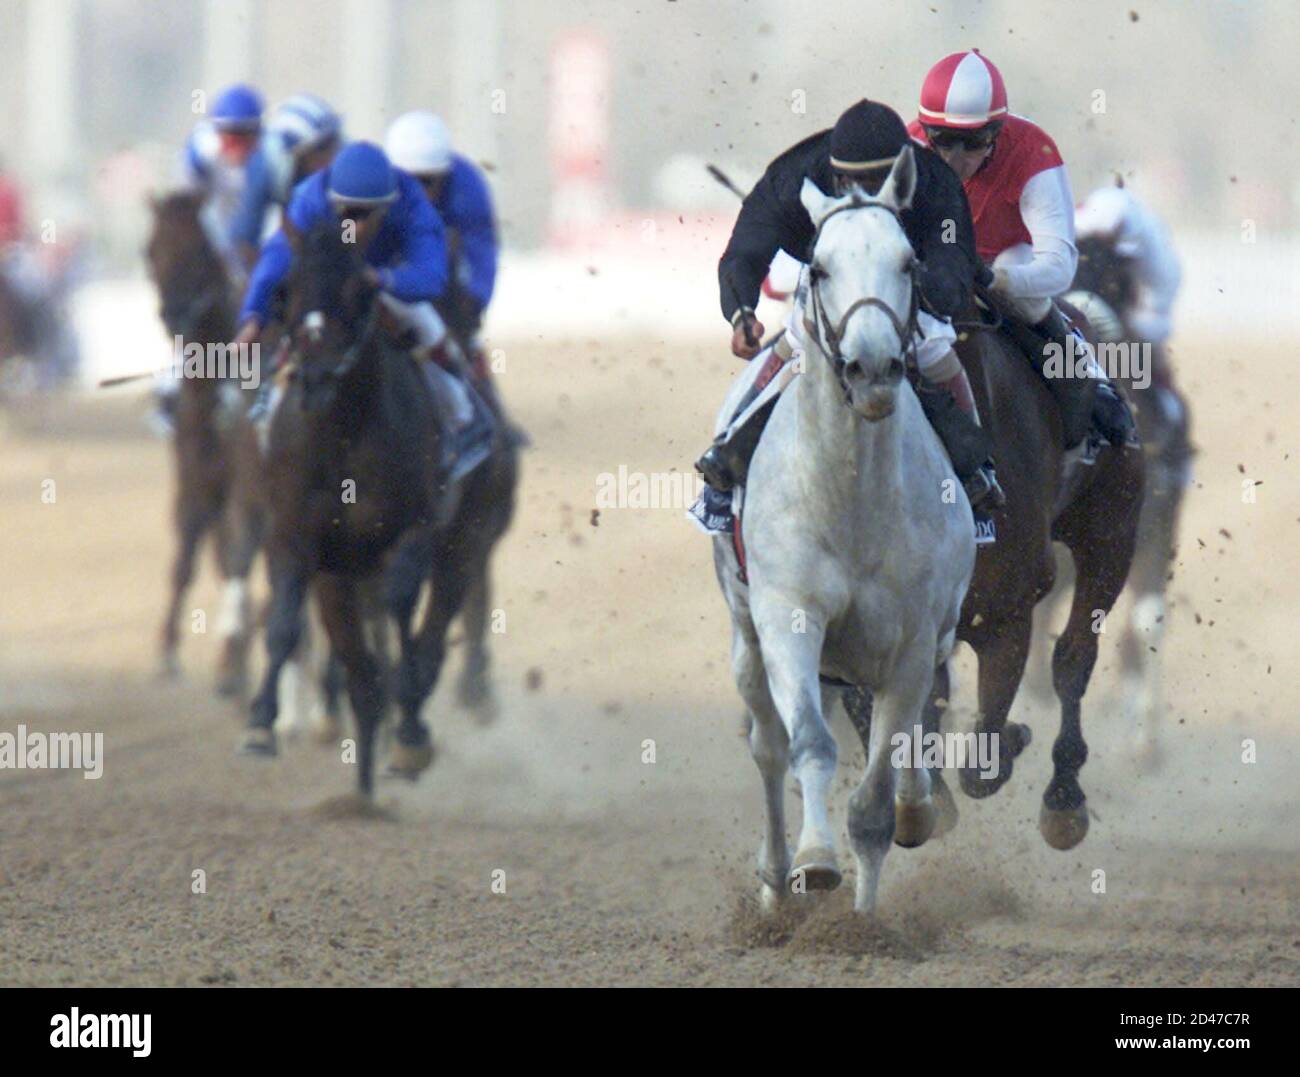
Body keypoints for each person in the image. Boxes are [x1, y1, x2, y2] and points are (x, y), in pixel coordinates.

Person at [691, 98, 1001, 537]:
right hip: (832, 283)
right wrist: (742, 312)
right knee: (796, 340)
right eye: (857, 182)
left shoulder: (935, 184)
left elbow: (953, 266)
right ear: (834, 177)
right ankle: (727, 457)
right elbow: (745, 251)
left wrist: (912, 293)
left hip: (905, 284)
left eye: (880, 182)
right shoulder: (792, 177)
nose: (867, 192)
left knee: (934, 348)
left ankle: (976, 474)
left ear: (904, 173)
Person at [907, 49, 1136, 458]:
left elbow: (1059, 267)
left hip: (1005, 264)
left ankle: (1094, 380)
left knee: (1019, 275)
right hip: (935, 262)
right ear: (925, 130)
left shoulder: (1033, 154)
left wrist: (996, 279)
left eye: (973, 142)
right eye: (942, 141)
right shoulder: (908, 149)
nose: (956, 160)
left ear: (997, 131)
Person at [235, 141, 492, 478]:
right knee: (299, 335)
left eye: (365, 215)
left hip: (387, 278)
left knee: (428, 328)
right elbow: (275, 259)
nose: (354, 226)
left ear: (387, 205)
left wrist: (381, 278)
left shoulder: (412, 202)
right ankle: (268, 421)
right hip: (332, 283)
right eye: (347, 212)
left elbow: (432, 276)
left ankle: (463, 419)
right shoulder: (311, 198)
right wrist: (253, 317)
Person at [227, 93, 343, 271]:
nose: (332, 155)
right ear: (295, 157)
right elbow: (244, 241)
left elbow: (352, 236)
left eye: (333, 143)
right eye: (322, 148)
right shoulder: (262, 170)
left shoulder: (345, 164)